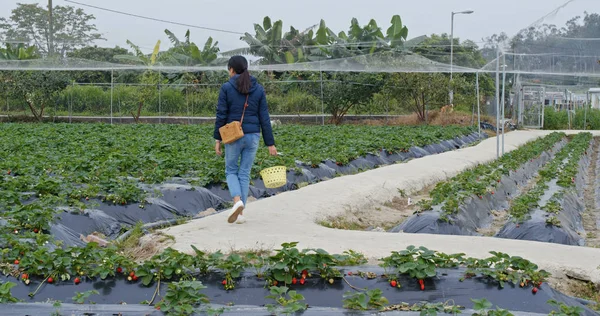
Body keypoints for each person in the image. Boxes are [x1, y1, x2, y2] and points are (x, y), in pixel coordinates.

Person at [214, 56, 277, 224]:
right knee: (244, 173)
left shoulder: (227, 88)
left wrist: (217, 139)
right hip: (253, 135)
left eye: (229, 69)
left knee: (231, 170)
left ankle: (237, 201)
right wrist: (270, 143)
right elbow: (264, 116)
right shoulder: (258, 88)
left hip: (234, 135)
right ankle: (241, 215)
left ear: (232, 69)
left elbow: (221, 114)